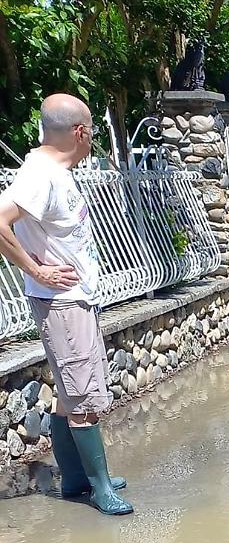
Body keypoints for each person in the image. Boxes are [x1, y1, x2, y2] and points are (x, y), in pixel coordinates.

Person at [0, 93, 131, 514]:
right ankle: (100, 489)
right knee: (84, 398)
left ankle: (76, 478)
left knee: (68, 392)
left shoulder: (55, 171)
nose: (93, 138)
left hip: (74, 299)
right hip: (62, 304)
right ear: (79, 132)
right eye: (91, 130)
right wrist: (36, 271)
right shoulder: (41, 175)